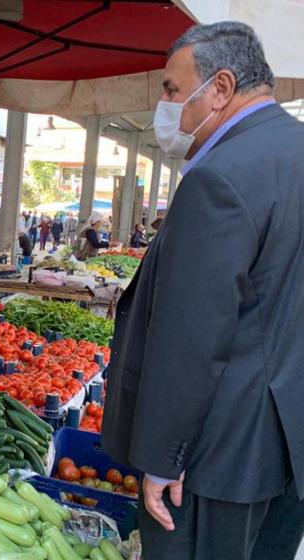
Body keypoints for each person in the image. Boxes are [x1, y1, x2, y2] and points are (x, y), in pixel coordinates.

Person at [101, 22, 304, 560]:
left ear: (220, 87)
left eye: (171, 88)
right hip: (286, 446)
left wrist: (164, 457)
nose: (165, 104)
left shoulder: (222, 175)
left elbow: (190, 336)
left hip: (214, 460)